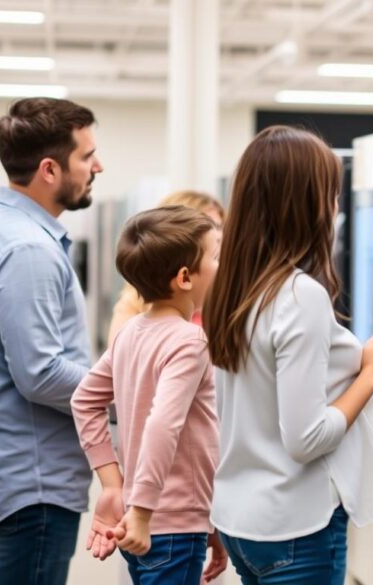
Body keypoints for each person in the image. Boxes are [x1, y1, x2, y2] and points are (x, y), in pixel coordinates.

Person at [203, 125, 373, 584]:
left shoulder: (231, 289)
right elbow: (306, 438)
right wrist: (370, 376)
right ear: (303, 204)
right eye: (330, 194)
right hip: (295, 528)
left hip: (241, 519)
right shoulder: (299, 296)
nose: (335, 207)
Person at [0, 97, 104, 584]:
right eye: (87, 156)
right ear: (49, 169)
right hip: (35, 483)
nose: (98, 167)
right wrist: (121, 392)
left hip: (17, 473)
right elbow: (40, 373)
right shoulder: (27, 249)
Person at [72, 205, 227, 584]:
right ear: (185, 277)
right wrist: (141, 511)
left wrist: (114, 485)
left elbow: (84, 400)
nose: (223, 265)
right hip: (167, 526)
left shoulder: (131, 332)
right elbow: (164, 425)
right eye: (216, 256)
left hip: (154, 518)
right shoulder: (190, 340)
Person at [108, 190, 224, 343]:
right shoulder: (193, 339)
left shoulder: (130, 329)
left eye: (220, 227)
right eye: (209, 226)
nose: (220, 236)